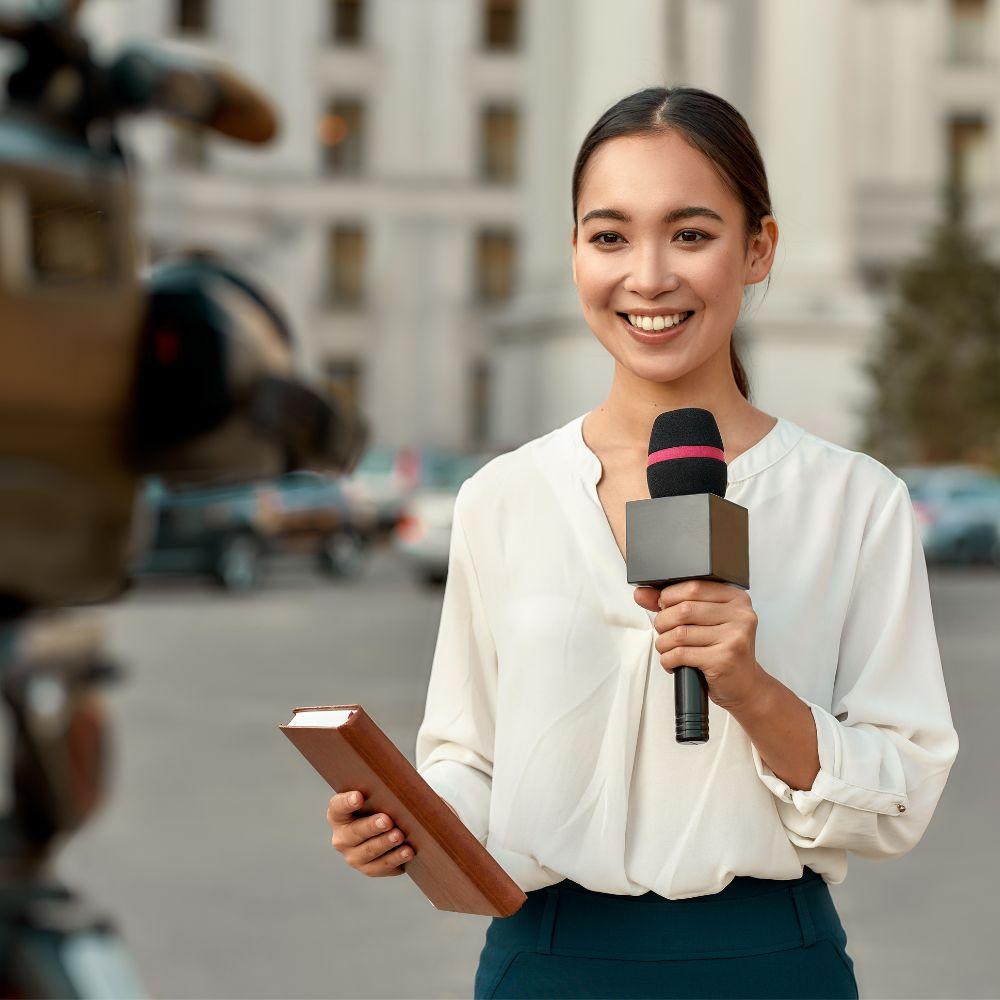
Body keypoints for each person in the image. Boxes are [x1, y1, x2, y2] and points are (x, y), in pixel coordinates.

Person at [326, 86, 960, 999]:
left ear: (758, 250)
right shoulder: (504, 498)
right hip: (545, 960)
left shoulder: (856, 502)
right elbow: (468, 758)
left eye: (690, 234)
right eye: (610, 236)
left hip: (770, 963)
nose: (649, 276)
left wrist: (751, 689)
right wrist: (403, 821)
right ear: (575, 253)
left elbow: (900, 793)